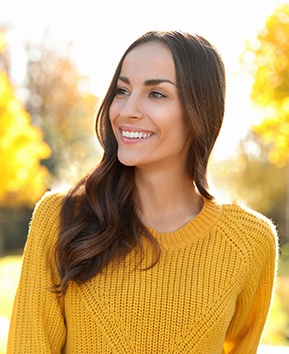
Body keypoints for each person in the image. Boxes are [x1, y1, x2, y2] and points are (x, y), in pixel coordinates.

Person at [7, 30, 278, 353]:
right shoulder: (61, 220)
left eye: (157, 94)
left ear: (200, 112)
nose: (126, 110)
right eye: (122, 90)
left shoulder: (250, 241)